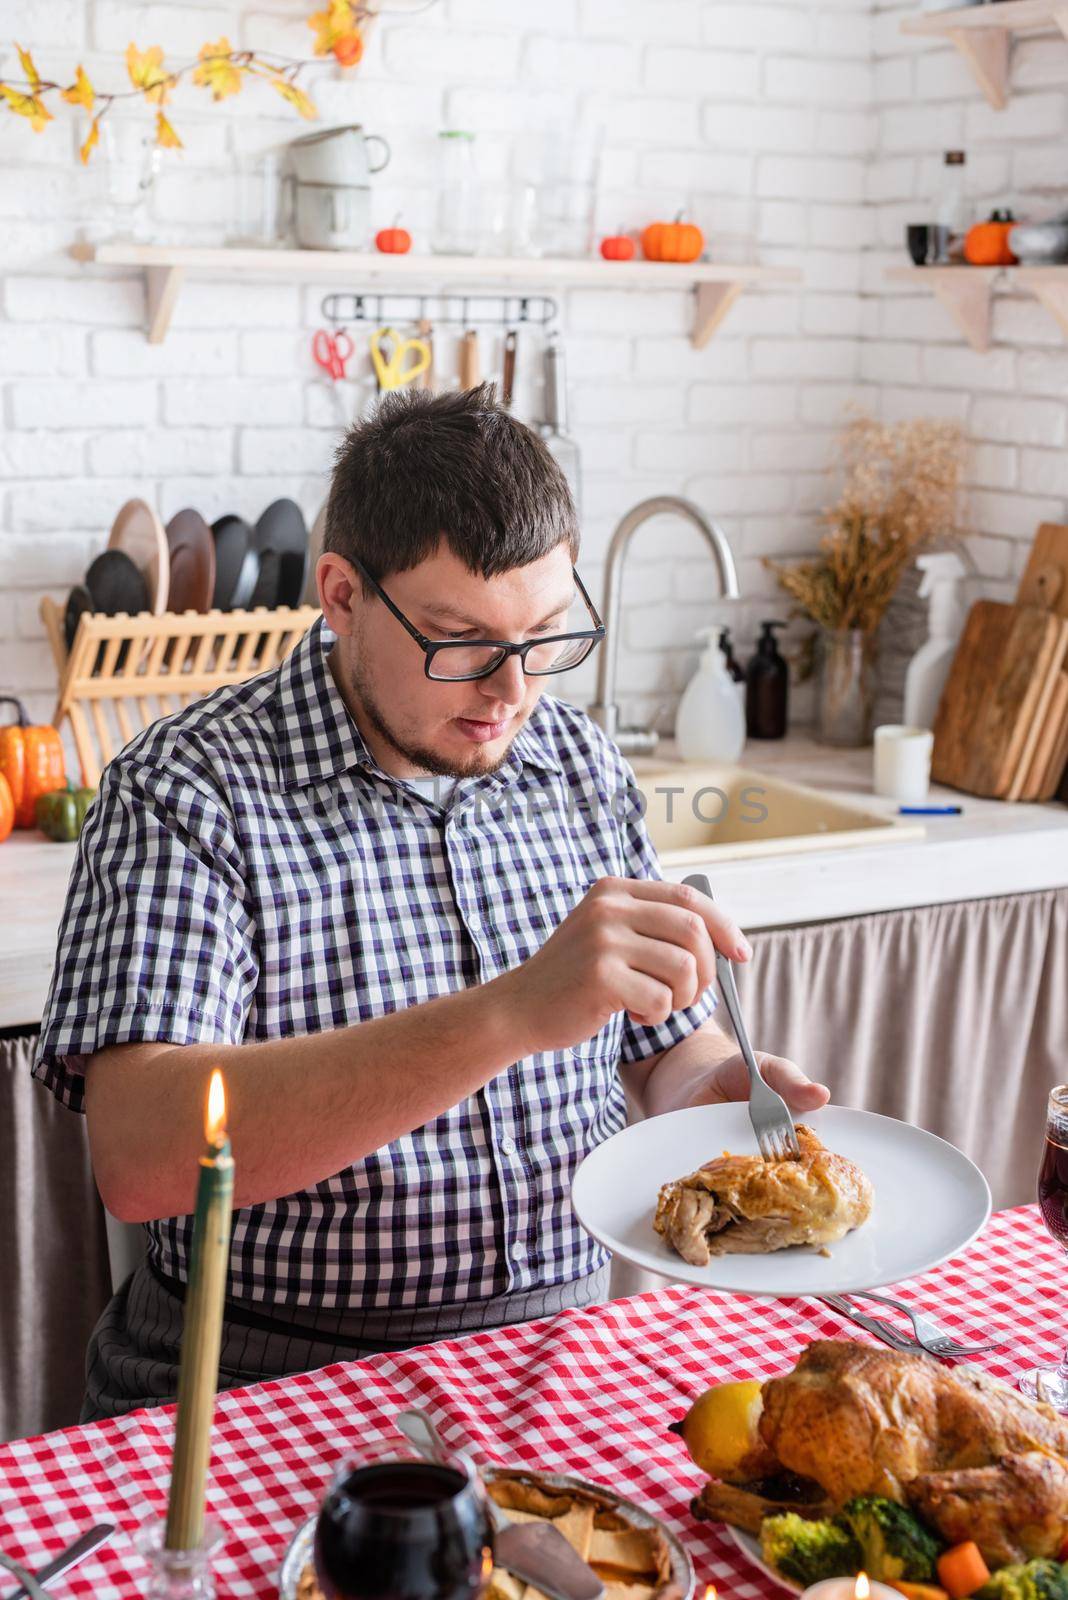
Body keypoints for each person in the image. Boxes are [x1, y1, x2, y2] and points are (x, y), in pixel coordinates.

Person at [33, 384, 827, 1420]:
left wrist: (709, 1086)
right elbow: (140, 1158)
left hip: (561, 1358)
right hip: (259, 1387)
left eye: (545, 636)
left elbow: (662, 1049)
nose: (511, 693)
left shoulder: (573, 759)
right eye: (461, 643)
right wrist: (508, 1013)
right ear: (343, 594)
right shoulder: (187, 790)